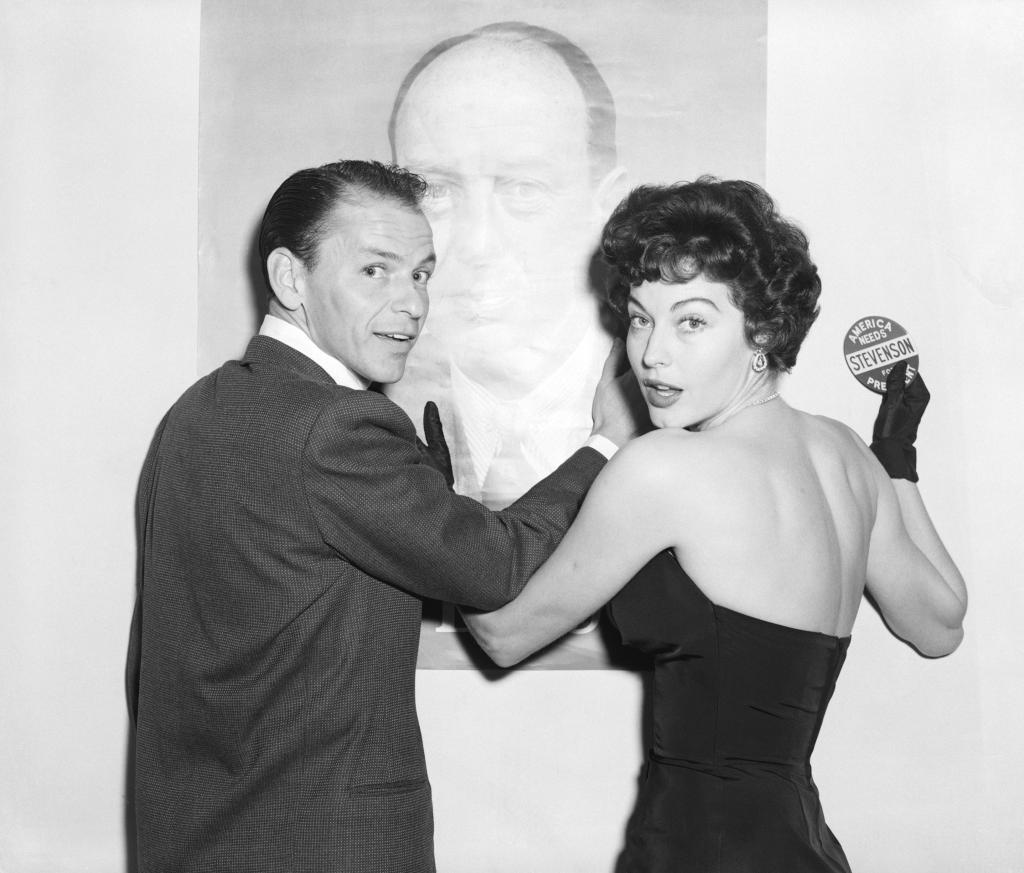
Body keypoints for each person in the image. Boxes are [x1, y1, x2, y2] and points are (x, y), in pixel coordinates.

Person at [124, 159, 637, 873]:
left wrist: (428, 503)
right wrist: (607, 441)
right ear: (289, 278)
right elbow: (494, 566)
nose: (411, 304)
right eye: (376, 271)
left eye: (421, 274)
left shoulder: (193, 415)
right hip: (330, 846)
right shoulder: (335, 427)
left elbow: (179, 657)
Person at [464, 178, 967, 872]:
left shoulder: (663, 467)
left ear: (761, 329)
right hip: (805, 848)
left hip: (698, 850)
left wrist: (433, 516)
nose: (652, 354)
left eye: (691, 321)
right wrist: (897, 464)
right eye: (640, 318)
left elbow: (502, 632)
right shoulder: (847, 454)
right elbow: (940, 624)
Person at [386, 21, 627, 508]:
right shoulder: (354, 426)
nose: (478, 242)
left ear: (609, 209)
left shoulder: (683, 418)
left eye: (523, 189)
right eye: (435, 190)